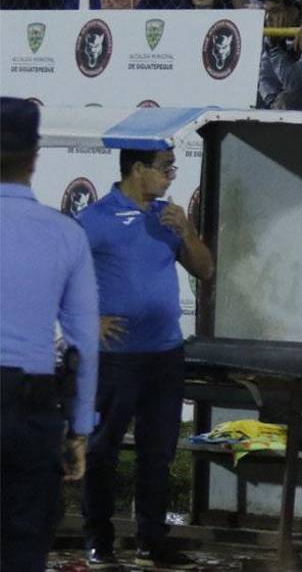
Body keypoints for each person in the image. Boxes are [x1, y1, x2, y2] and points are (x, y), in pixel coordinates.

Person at [78, 145, 213, 567]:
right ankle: (98, 538)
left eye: (173, 167)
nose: (171, 175)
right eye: (165, 168)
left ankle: (152, 540)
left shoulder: (167, 217)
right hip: (115, 358)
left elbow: (205, 269)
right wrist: (89, 320)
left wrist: (187, 232)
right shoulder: (95, 220)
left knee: (158, 451)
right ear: (138, 169)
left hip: (165, 354)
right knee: (103, 449)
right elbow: (63, 274)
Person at [1, 97, 100, 572]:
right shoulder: (65, 234)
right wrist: (79, 429)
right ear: (35, 157)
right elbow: (84, 342)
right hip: (30, 414)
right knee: (23, 551)